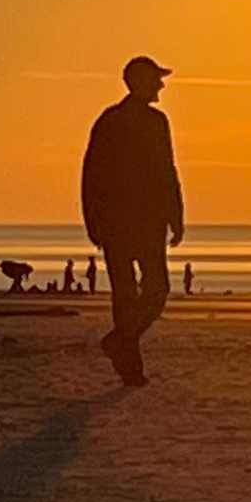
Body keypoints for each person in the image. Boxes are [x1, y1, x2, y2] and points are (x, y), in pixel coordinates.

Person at [81, 56, 184, 385]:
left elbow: (167, 172)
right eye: (156, 79)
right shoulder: (112, 122)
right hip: (122, 222)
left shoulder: (156, 122)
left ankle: (122, 342)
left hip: (144, 221)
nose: (161, 85)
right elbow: (93, 173)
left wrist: (175, 216)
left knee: (155, 289)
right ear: (139, 82)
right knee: (127, 292)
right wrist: (93, 221)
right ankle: (130, 363)